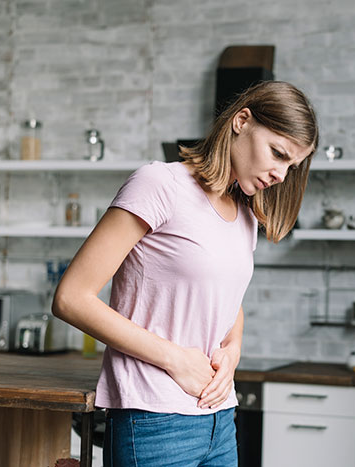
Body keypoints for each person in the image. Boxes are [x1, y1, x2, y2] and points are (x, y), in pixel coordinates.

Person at [52, 80, 318, 466]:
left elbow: (228, 300)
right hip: (153, 420)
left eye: (290, 166)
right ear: (241, 121)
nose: (280, 174)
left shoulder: (245, 212)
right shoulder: (160, 184)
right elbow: (71, 298)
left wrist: (233, 350)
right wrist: (176, 359)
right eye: (277, 153)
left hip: (220, 419)